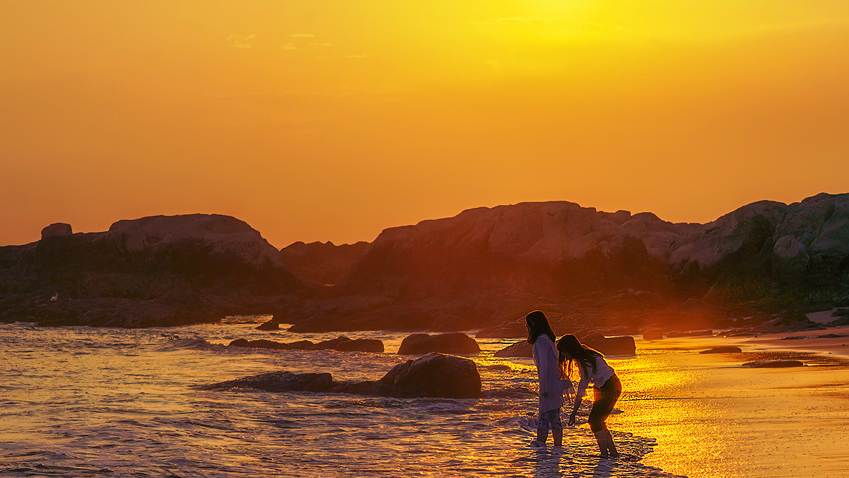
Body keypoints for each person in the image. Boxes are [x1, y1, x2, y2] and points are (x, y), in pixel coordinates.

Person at [557, 334, 622, 458]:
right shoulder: (585, 353)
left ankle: (604, 454)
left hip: (609, 386)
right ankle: (613, 454)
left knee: (594, 421)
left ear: (569, 349)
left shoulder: (585, 362)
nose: (563, 355)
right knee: (598, 421)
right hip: (606, 385)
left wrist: (573, 413)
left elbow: (582, 389)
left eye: (563, 352)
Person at [526, 310, 573, 447]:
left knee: (544, 418)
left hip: (548, 386)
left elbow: (544, 367)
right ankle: (557, 451)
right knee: (554, 418)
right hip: (554, 384)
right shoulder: (547, 339)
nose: (527, 327)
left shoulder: (541, 342)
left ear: (534, 324)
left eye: (528, 324)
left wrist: (544, 388)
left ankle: (541, 452)